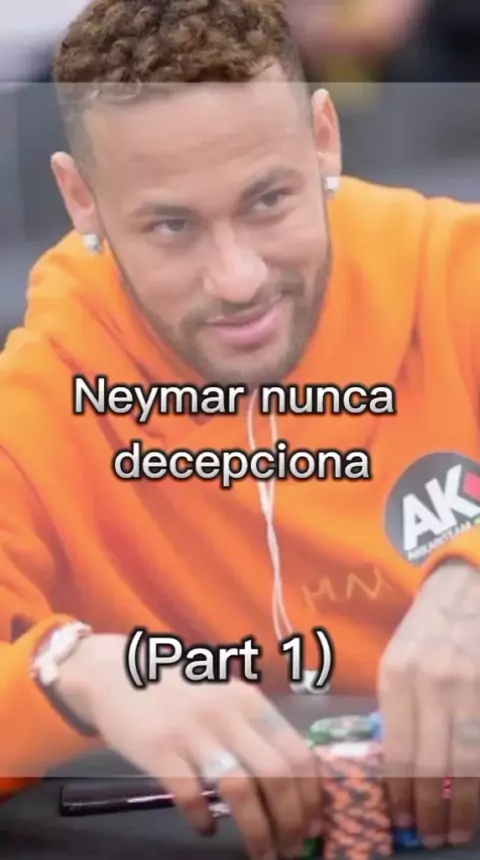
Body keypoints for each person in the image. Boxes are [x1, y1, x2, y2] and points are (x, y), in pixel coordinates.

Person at [1, 0, 480, 858]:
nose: (237, 280)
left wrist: (469, 575)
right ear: (82, 199)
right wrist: (72, 670)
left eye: (268, 201)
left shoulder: (455, 276)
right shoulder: (42, 395)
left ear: (324, 139)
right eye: (172, 225)